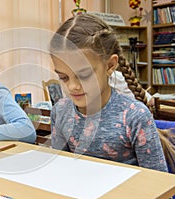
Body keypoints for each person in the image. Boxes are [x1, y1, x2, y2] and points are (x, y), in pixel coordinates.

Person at [49, 13, 168, 172]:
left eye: (84, 75)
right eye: (63, 77)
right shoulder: (61, 111)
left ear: (110, 65)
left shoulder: (134, 116)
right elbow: (60, 171)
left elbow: (159, 188)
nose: (72, 87)